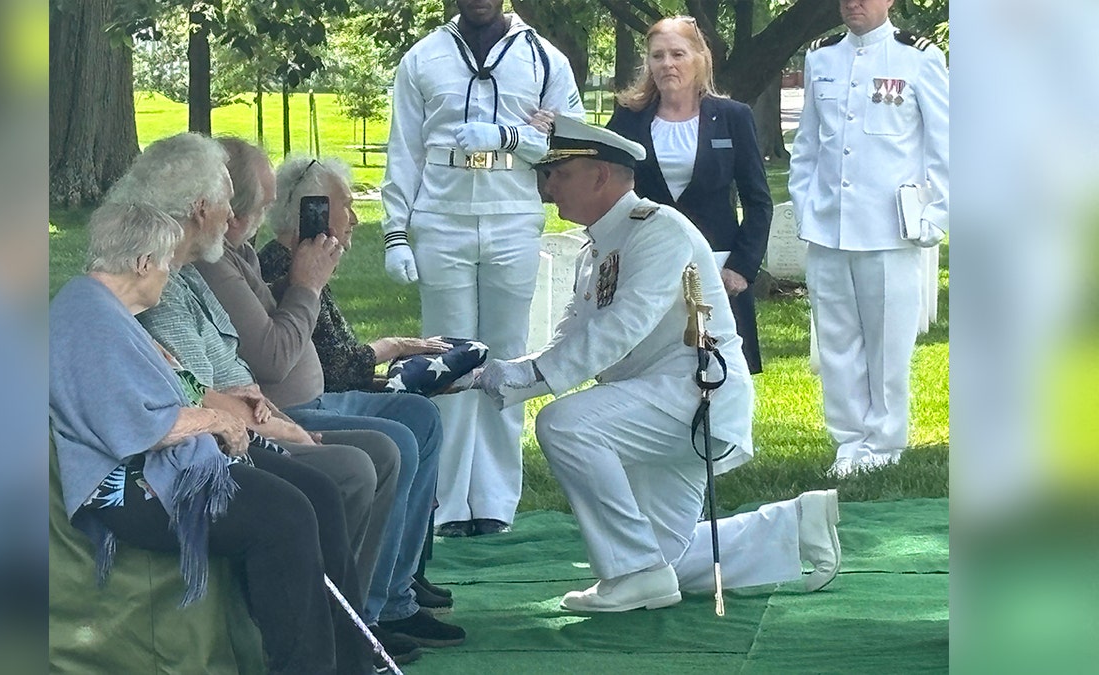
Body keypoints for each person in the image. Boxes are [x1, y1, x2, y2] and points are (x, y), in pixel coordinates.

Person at [476, 117, 842, 612]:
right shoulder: (599, 246)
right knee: (669, 556)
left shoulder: (657, 229)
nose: (548, 188)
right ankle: (800, 527)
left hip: (693, 400)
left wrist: (534, 379)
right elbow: (572, 335)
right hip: (655, 405)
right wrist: (492, 376)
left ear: (600, 176)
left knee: (566, 425)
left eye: (559, 174)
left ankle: (632, 572)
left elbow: (624, 324)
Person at [115, 135, 415, 666]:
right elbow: (189, 391)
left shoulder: (188, 274)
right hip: (185, 457)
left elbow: (226, 379)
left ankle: (350, 644)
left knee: (334, 479)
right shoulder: (155, 280)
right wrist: (269, 424)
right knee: (320, 487)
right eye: (230, 201)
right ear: (201, 207)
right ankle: (340, 649)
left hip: (226, 433)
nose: (236, 218)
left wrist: (259, 413)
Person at [50, 202, 371, 674]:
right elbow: (138, 426)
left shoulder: (103, 311)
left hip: (165, 468)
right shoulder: (90, 319)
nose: (168, 274)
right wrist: (216, 421)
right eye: (165, 263)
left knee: (317, 493)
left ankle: (352, 660)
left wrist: (217, 396)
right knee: (285, 516)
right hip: (131, 489)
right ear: (141, 263)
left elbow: (148, 392)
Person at [189, 151, 464, 654]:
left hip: (289, 406)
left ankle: (388, 597)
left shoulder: (242, 257)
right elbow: (276, 359)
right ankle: (363, 614)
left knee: (413, 422)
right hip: (272, 414)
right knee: (390, 441)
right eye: (340, 204)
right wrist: (307, 285)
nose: (354, 217)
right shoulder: (237, 264)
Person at [380, 0, 586, 537]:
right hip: (442, 218)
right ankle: (443, 499)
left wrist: (511, 138)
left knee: (506, 353)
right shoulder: (423, 58)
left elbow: (575, 142)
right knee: (446, 357)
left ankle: (494, 498)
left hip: (513, 216)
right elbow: (404, 151)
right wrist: (396, 233)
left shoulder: (544, 60)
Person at [788, 0, 949, 477]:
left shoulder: (918, 57)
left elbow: (944, 145)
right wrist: (804, 205)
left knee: (887, 345)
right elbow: (807, 145)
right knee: (837, 341)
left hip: (889, 228)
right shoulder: (821, 56)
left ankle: (885, 441)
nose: (853, 3)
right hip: (830, 226)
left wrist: (935, 214)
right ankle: (849, 441)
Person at [606, 16, 772, 374]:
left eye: (678, 54)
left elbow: (758, 201)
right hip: (647, 266)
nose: (668, 64)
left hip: (718, 272)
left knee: (720, 376)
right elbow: (602, 183)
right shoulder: (628, 119)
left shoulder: (733, 117)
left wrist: (741, 269)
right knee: (649, 372)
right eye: (658, 56)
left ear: (699, 57)